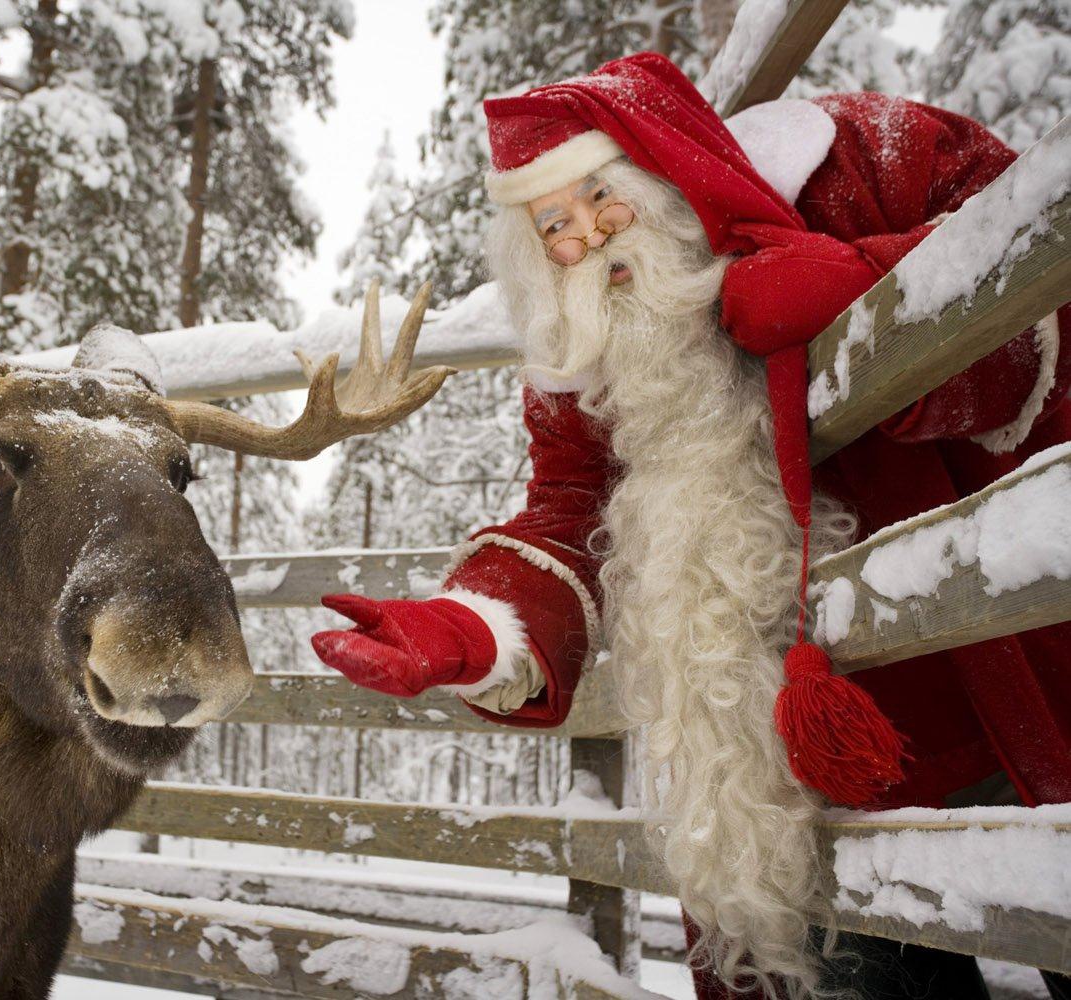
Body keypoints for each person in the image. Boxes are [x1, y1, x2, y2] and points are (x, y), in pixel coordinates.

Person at [310, 52, 1071, 999]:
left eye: (602, 197)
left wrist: (864, 291)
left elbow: (1045, 273)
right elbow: (566, 514)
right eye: (555, 225)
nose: (588, 235)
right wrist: (472, 631)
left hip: (1013, 699)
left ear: (659, 170)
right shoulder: (589, 364)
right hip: (803, 791)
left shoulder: (869, 162)